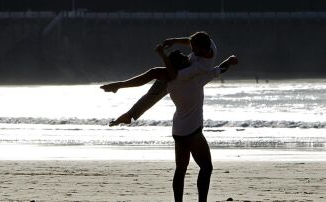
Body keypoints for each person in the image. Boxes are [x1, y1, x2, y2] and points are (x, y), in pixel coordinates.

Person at [101, 40, 238, 201]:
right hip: (192, 132)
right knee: (206, 167)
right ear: (180, 65)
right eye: (184, 58)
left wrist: (122, 85)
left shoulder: (170, 83)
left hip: (178, 131)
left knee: (180, 169)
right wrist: (229, 61)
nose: (188, 57)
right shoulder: (195, 78)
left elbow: (153, 77)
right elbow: (220, 69)